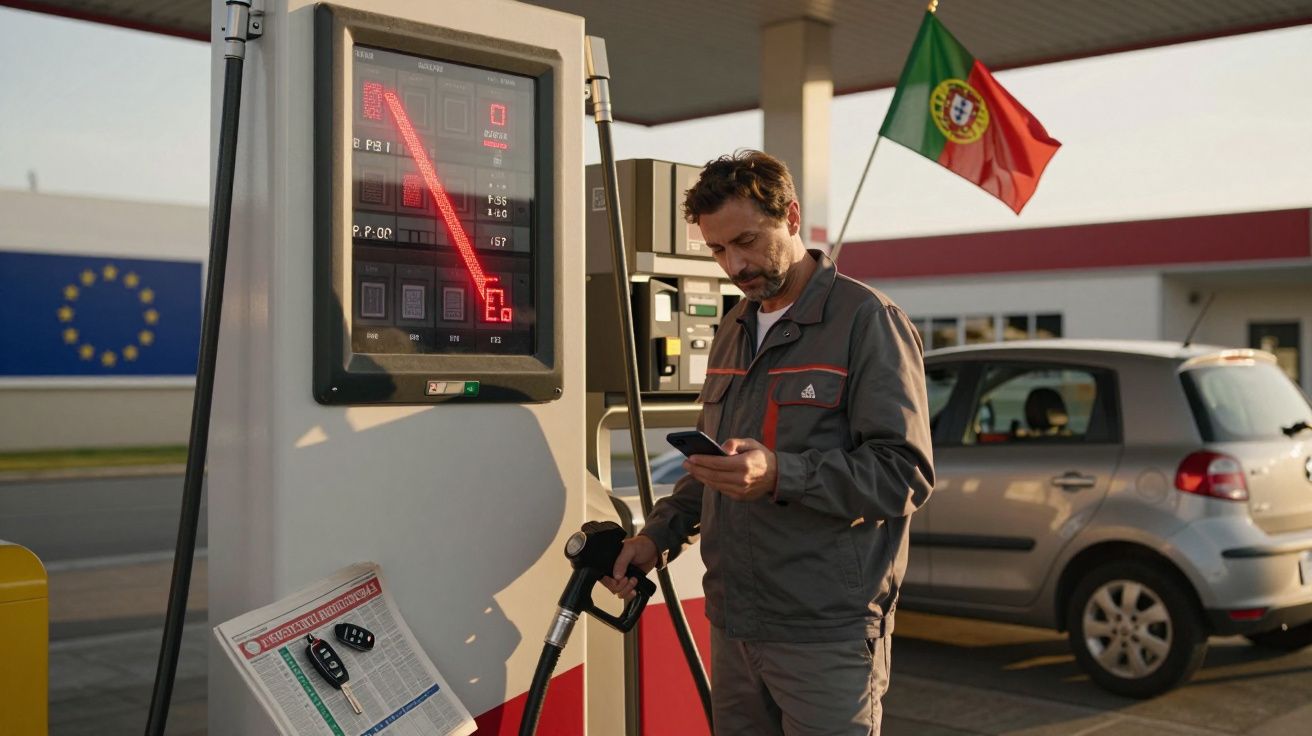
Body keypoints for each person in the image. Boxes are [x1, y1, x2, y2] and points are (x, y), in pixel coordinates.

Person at [602, 150, 935, 735]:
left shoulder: (867, 320)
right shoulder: (734, 328)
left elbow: (904, 473)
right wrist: (656, 538)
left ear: (792, 217)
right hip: (734, 625)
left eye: (747, 241)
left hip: (824, 634)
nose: (735, 264)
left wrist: (781, 474)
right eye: (717, 249)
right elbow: (712, 466)